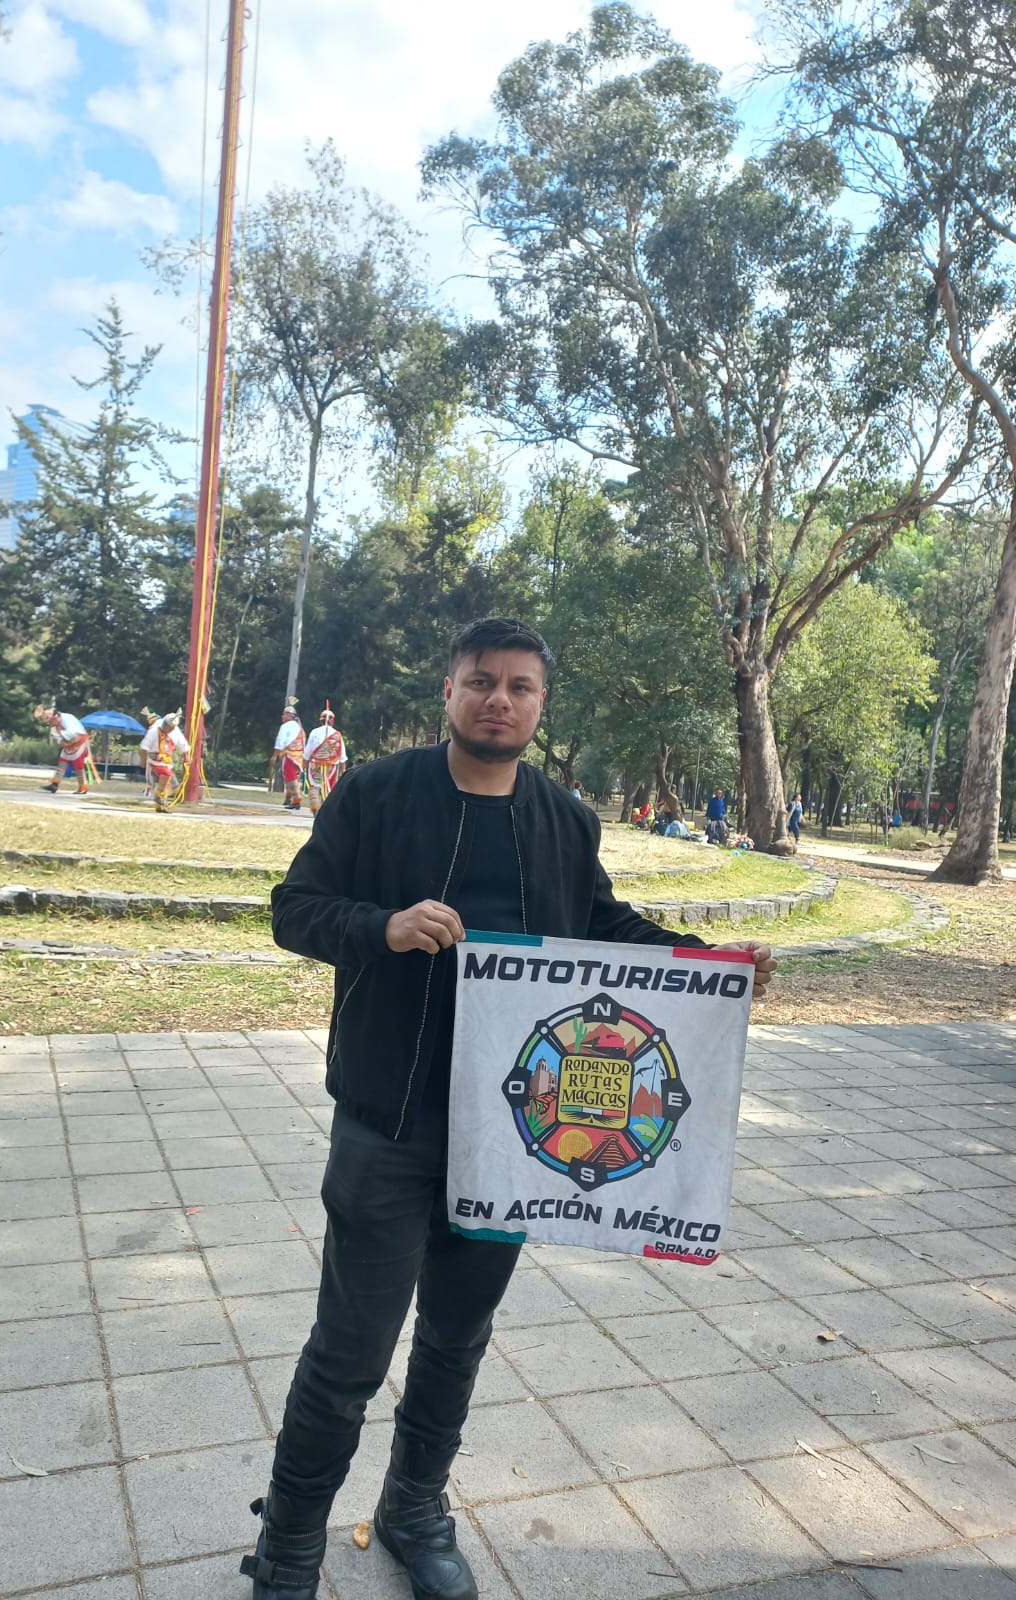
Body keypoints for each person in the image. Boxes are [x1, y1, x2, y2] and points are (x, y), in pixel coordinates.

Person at [242, 616, 777, 1600]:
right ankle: (289, 1545)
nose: (500, 699)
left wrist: (703, 963)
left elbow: (600, 926)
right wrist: (382, 926)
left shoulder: (564, 820)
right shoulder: (375, 794)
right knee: (349, 1355)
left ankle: (414, 1509)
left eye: (520, 686)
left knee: (455, 1338)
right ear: (447, 692)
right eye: (480, 681)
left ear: (539, 704)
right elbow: (293, 907)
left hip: (518, 1140)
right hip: (389, 1125)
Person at [141, 710, 190, 813]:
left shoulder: (175, 731)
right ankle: (157, 796)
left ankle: (160, 806)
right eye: (166, 726)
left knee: (168, 784)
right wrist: (143, 760)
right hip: (153, 761)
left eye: (170, 727)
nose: (167, 729)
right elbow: (144, 747)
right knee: (166, 775)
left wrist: (186, 755)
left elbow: (183, 744)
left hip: (166, 761)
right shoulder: (154, 730)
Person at [36, 705, 91, 795]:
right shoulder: (56, 726)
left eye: (51, 721)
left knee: (78, 767)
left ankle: (83, 787)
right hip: (69, 745)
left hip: (79, 742)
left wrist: (62, 735)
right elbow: (58, 738)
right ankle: (54, 784)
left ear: (56, 717)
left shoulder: (67, 719)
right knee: (62, 763)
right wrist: (61, 740)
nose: (51, 724)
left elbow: (73, 732)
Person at [303, 704, 348, 815]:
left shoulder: (314, 732)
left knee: (314, 787)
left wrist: (303, 766)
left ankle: (316, 810)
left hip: (315, 765)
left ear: (321, 720)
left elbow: (307, 753)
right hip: (331, 768)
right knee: (328, 789)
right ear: (332, 721)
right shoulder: (337, 735)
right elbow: (342, 757)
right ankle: (325, 812)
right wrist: (343, 771)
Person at [268, 702, 307, 811]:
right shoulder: (299, 727)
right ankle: (288, 798)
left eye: (284, 714)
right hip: (299, 756)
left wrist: (274, 756)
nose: (282, 716)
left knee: (290, 778)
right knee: (291, 777)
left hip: (289, 754)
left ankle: (296, 800)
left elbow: (280, 742)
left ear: (290, 715)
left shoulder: (286, 726)